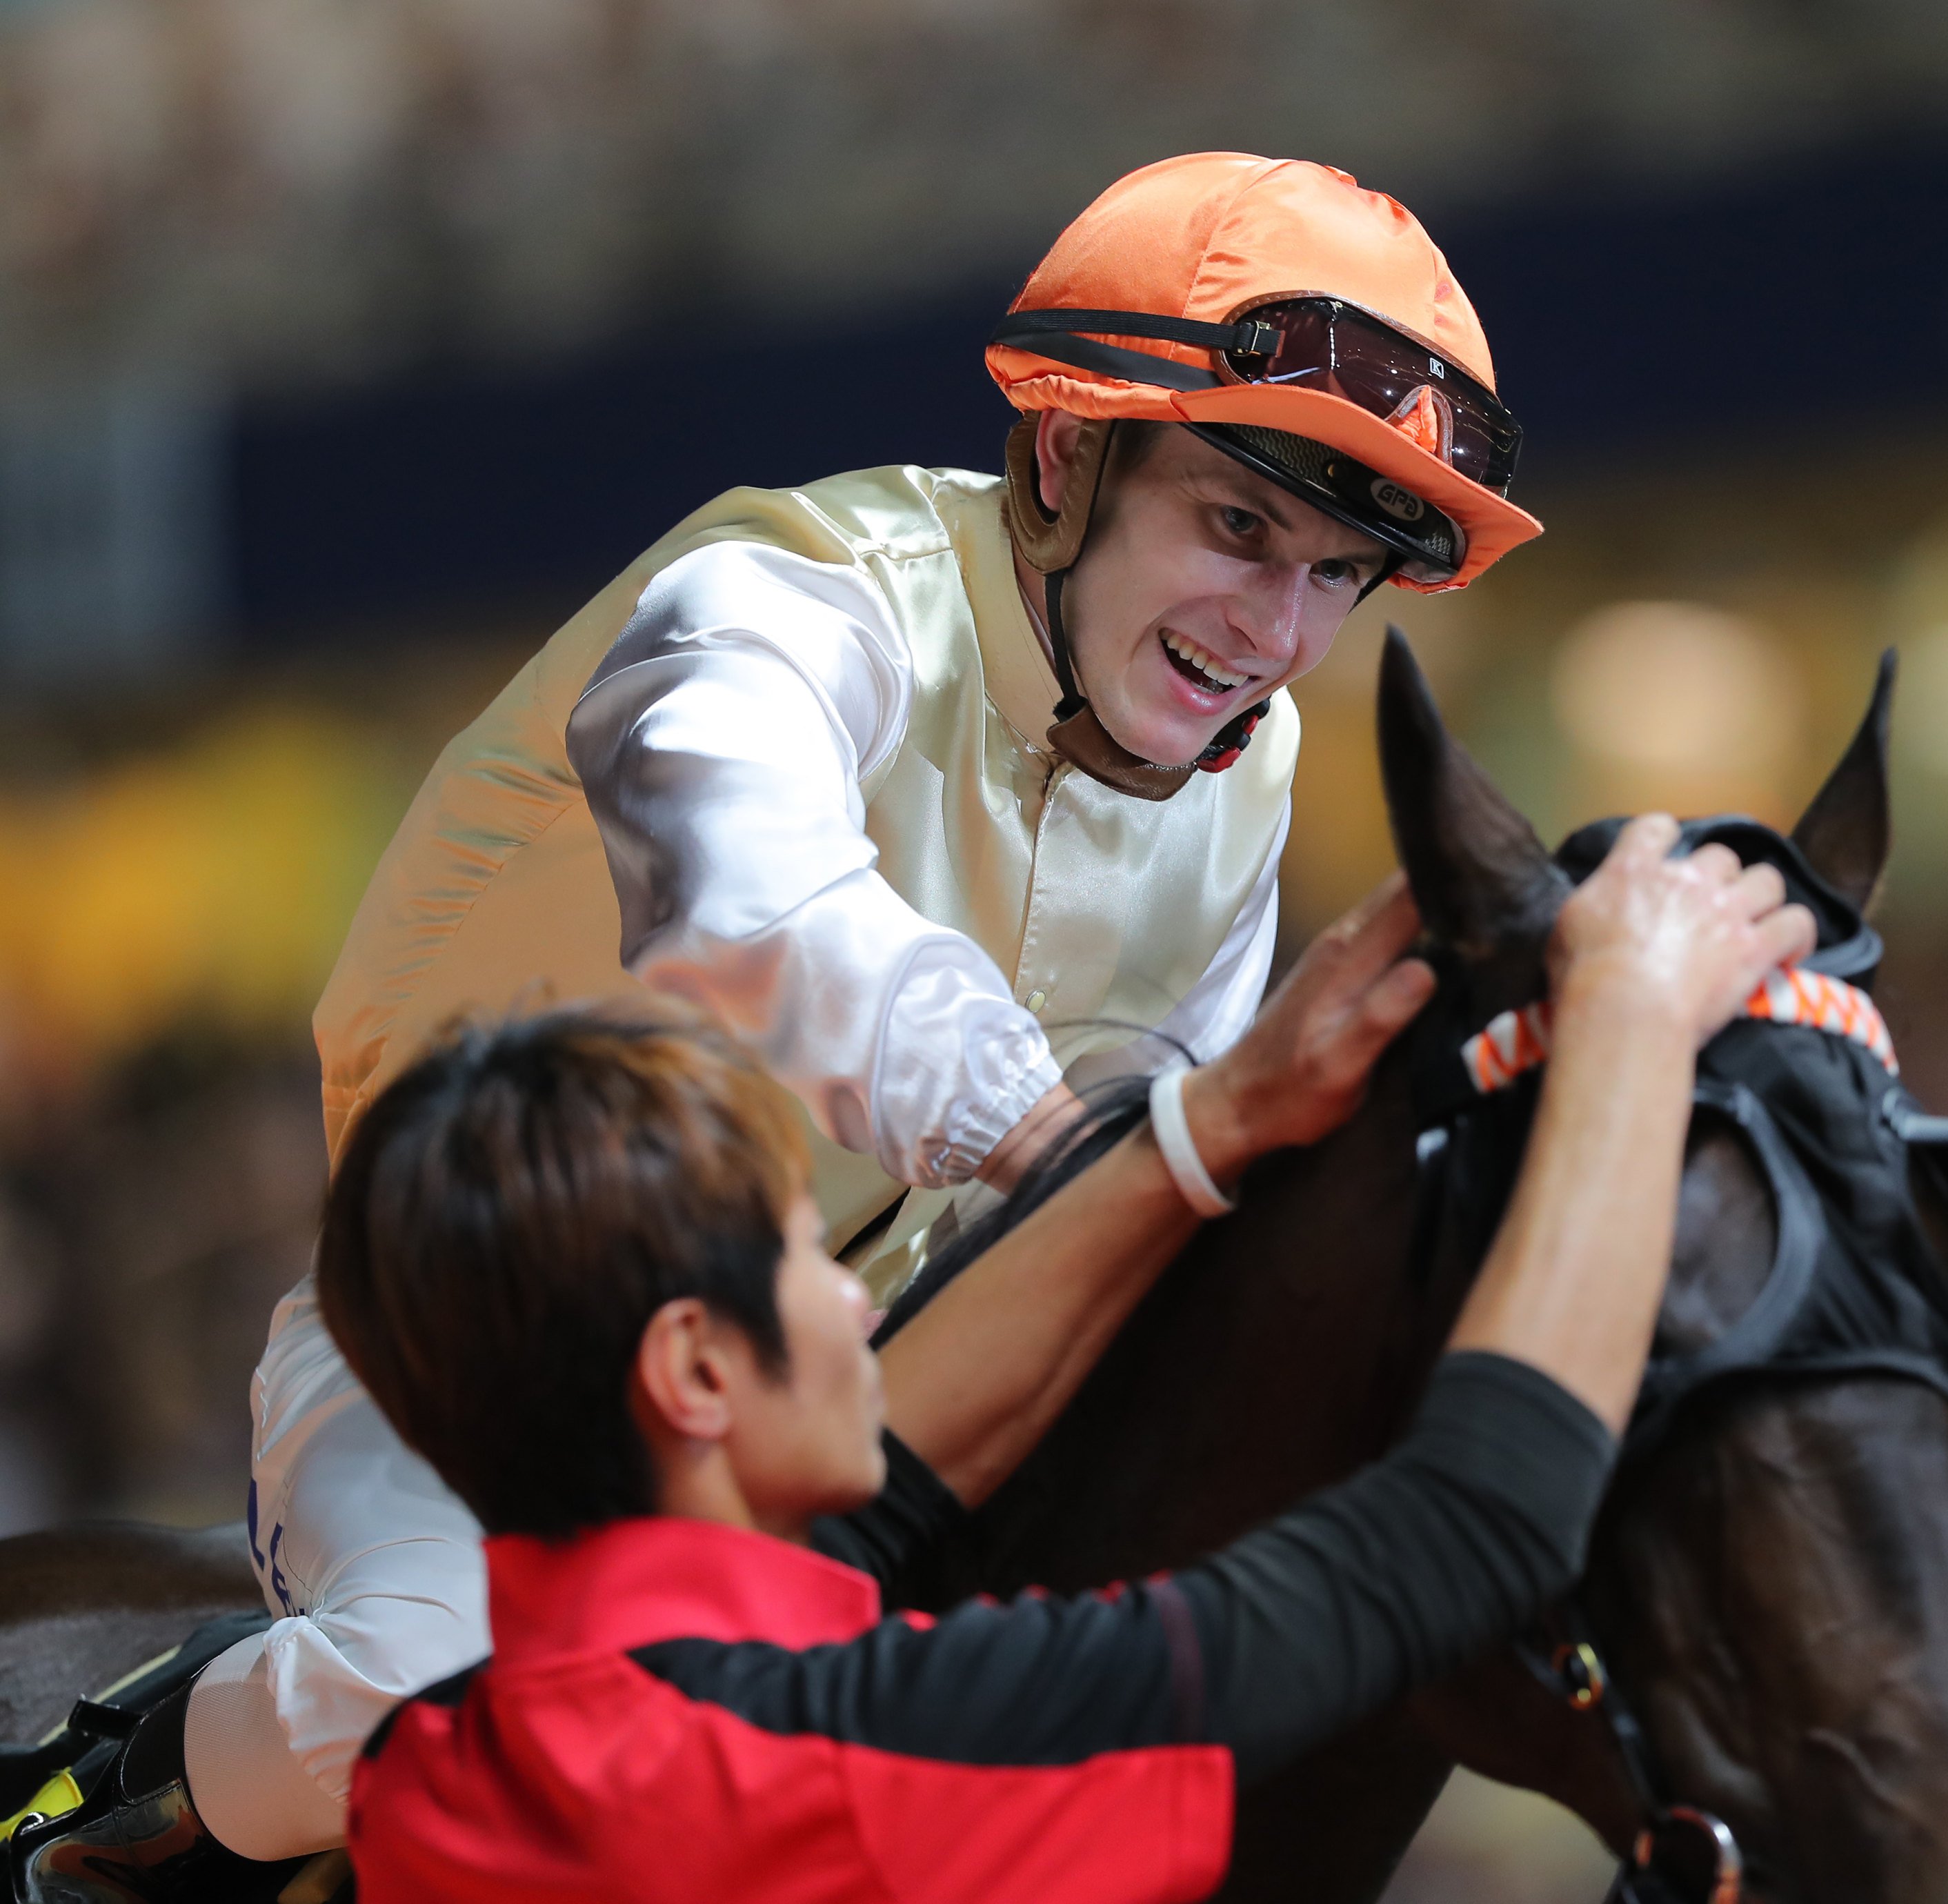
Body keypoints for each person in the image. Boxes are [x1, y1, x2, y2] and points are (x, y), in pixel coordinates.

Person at [190, 150, 1544, 1870]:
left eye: (1340, 572)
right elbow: (754, 910)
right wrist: (1078, 1144)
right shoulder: (781, 591)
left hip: (857, 1420)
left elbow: (1168, 1150)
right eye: (1237, 526)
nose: (1275, 631)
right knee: (456, 1678)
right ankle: (124, 1793)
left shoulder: (1245, 768)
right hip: (468, 1383)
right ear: (1068, 454)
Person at [287, 816, 1787, 1901]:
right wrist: (1635, 1029)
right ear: (693, 1372)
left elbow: (884, 1506)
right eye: (809, 1251)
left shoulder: (433, 1761)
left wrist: (1209, 1130)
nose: (853, 1301)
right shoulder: (864, 1763)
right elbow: (1469, 1526)